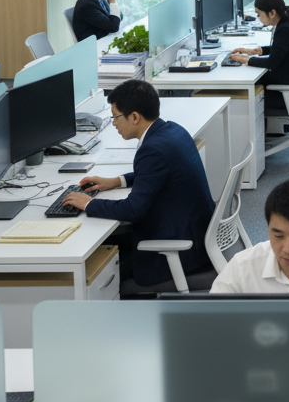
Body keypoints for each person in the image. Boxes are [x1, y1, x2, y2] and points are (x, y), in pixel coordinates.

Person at [62, 79, 214, 288]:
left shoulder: (152, 150)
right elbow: (160, 173)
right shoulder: (172, 130)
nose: (113, 123)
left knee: (101, 268)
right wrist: (117, 181)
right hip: (196, 234)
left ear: (134, 117)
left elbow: (133, 210)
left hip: (179, 251)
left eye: (115, 116)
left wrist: (87, 203)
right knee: (112, 241)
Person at [230, 0, 289, 124]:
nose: (258, 18)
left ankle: (261, 139)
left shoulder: (284, 29)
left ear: (272, 13)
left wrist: (247, 60)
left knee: (248, 95)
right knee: (257, 80)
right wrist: (256, 51)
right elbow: (281, 49)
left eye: (259, 14)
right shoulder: (287, 23)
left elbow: (272, 62)